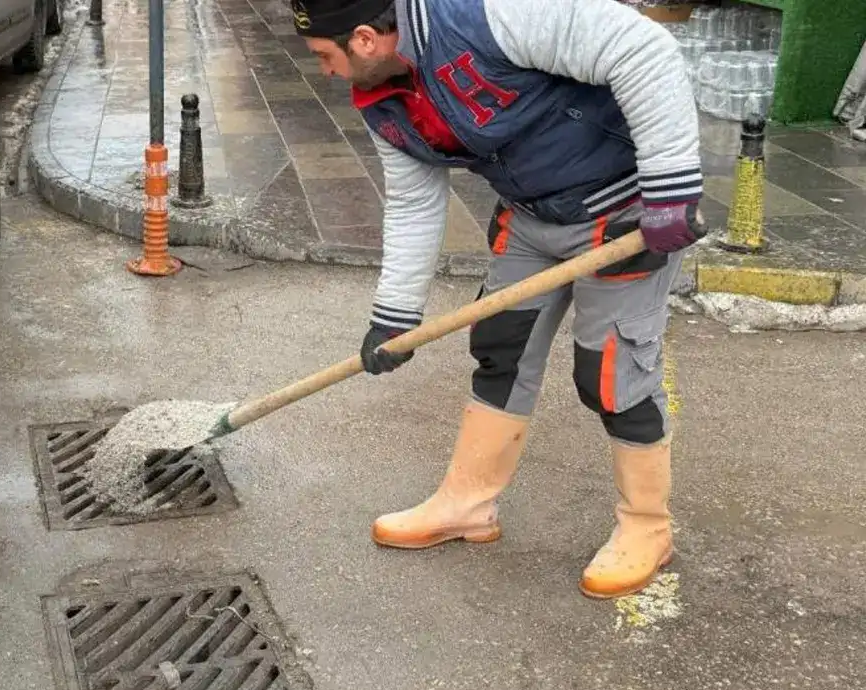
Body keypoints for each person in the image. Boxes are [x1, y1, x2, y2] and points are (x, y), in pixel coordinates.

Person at [293, 0, 707, 599]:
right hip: (532, 217)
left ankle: (647, 528)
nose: (325, 72)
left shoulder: (487, 14)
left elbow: (642, 48)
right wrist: (394, 319)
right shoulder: (383, 100)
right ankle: (467, 504)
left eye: (324, 56)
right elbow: (413, 204)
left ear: (363, 39)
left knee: (613, 377)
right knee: (500, 349)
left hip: (622, 218)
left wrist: (671, 187)